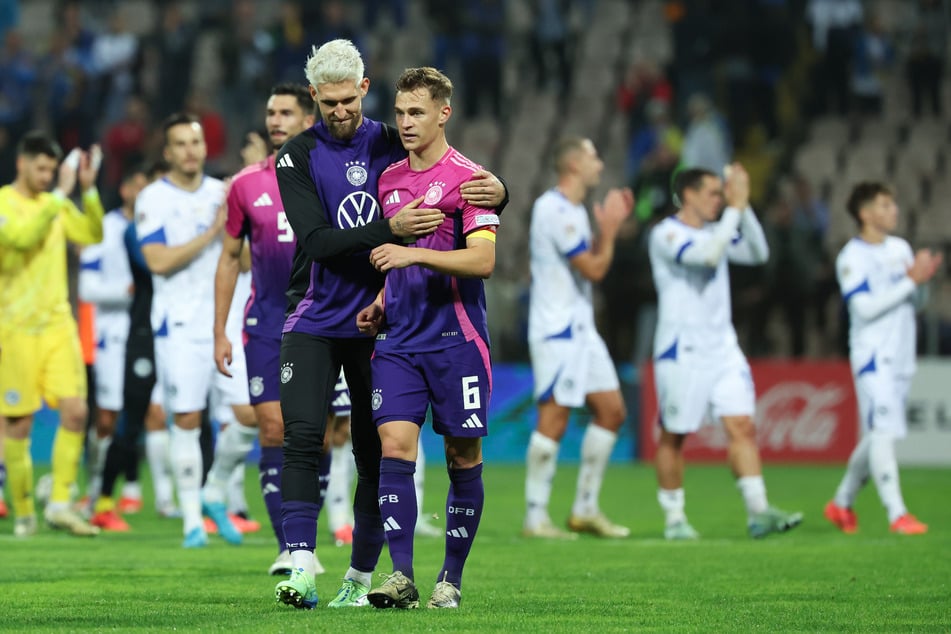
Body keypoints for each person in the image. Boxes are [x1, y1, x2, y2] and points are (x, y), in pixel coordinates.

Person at [273, 39, 506, 610]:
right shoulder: (331, 163)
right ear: (314, 98)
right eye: (328, 103)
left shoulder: (424, 154)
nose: (340, 112)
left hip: (419, 331)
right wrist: (388, 253)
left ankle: (407, 576)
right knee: (341, 440)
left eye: (348, 100)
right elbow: (327, 242)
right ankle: (341, 566)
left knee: (417, 455)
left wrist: (504, 193)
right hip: (356, 325)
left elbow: (474, 226)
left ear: (363, 89)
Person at [353, 66, 498, 610]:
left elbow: (482, 259)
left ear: (444, 113)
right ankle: (402, 576)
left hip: (456, 339)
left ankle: (450, 580)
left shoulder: (472, 179)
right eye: (400, 112)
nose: (407, 122)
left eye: (417, 112)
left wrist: (413, 251)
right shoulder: (388, 180)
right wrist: (381, 301)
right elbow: (396, 265)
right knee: (394, 444)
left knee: (462, 453)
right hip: (398, 341)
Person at [648, 165, 802, 540]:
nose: (719, 199)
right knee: (675, 435)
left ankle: (758, 512)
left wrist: (743, 206)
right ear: (689, 195)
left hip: (723, 349)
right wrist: (735, 208)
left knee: (742, 426)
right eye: (713, 193)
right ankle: (674, 518)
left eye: (722, 193)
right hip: (682, 349)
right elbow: (708, 257)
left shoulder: (719, 228)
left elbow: (758, 252)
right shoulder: (666, 233)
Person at [212, 82, 320, 574]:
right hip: (266, 321)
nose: (275, 120)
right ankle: (290, 546)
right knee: (273, 427)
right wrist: (221, 330)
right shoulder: (245, 184)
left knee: (318, 438)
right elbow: (230, 260)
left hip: (324, 319)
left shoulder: (330, 176)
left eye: (285, 113)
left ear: (307, 119)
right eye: (270, 112)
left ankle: (313, 535)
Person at [135, 113, 252, 548]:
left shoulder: (225, 192)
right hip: (179, 326)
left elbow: (245, 263)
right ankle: (190, 521)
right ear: (167, 152)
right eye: (180, 143)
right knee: (185, 418)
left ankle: (214, 488)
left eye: (195, 142)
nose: (190, 150)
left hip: (227, 322)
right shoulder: (154, 198)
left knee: (250, 416)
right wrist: (213, 232)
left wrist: (235, 236)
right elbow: (158, 261)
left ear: (206, 148)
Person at [523, 137, 634, 540]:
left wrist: (603, 229)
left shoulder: (574, 210)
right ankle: (535, 517)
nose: (600, 165)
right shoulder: (553, 208)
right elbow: (594, 269)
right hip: (558, 330)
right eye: (593, 156)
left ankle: (585, 508)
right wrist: (610, 231)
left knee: (612, 411)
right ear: (573, 165)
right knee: (554, 418)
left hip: (581, 331)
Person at [0, 131, 103, 537]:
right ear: (22, 164)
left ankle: (59, 502)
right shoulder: (4, 203)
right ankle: (24, 510)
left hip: (59, 325)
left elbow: (92, 235)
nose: (46, 176)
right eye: (40, 168)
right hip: (15, 329)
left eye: (51, 169)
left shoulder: (55, 204)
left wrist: (89, 192)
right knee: (19, 424)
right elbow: (22, 239)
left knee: (77, 411)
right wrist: (61, 196)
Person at [824, 182, 941, 535]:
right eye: (886, 205)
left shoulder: (900, 248)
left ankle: (841, 503)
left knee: (879, 434)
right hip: (873, 357)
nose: (895, 211)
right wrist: (909, 281)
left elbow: (916, 304)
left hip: (902, 355)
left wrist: (922, 283)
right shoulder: (852, 257)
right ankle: (897, 514)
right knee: (883, 431)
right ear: (865, 214)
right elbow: (863, 308)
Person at [92, 160, 178, 531]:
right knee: (130, 417)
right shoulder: (132, 231)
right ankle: (105, 500)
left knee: (195, 417)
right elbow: (152, 265)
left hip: (179, 329)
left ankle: (200, 503)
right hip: (143, 331)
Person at [77, 168, 142, 524]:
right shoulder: (105, 228)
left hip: (148, 331)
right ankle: (95, 494)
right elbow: (86, 288)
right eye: (137, 184)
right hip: (112, 334)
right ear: (125, 187)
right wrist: (125, 293)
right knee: (108, 416)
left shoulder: (154, 228)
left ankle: (139, 493)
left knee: (146, 414)